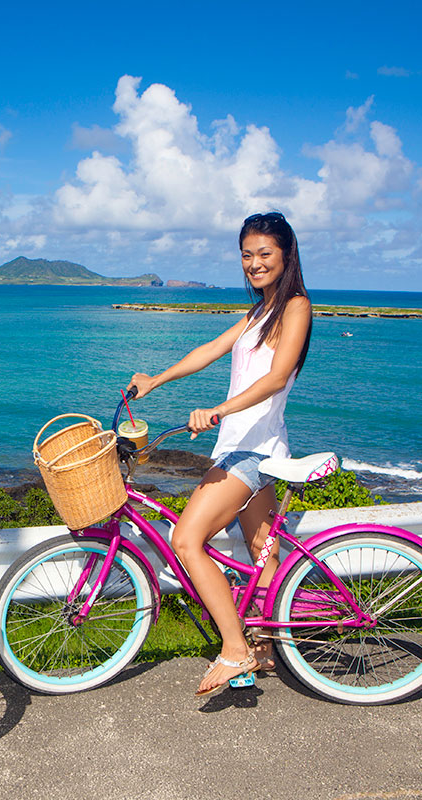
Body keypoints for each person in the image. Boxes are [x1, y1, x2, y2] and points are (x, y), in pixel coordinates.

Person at [127, 211, 312, 696]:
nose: (254, 263)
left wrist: (218, 410)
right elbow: (209, 349)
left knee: (186, 539)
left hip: (250, 452)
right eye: (247, 255)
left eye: (264, 253)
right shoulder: (260, 312)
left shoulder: (296, 306)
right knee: (262, 551)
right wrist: (155, 380)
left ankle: (234, 648)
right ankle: (267, 647)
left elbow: (276, 377)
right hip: (253, 449)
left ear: (286, 255)